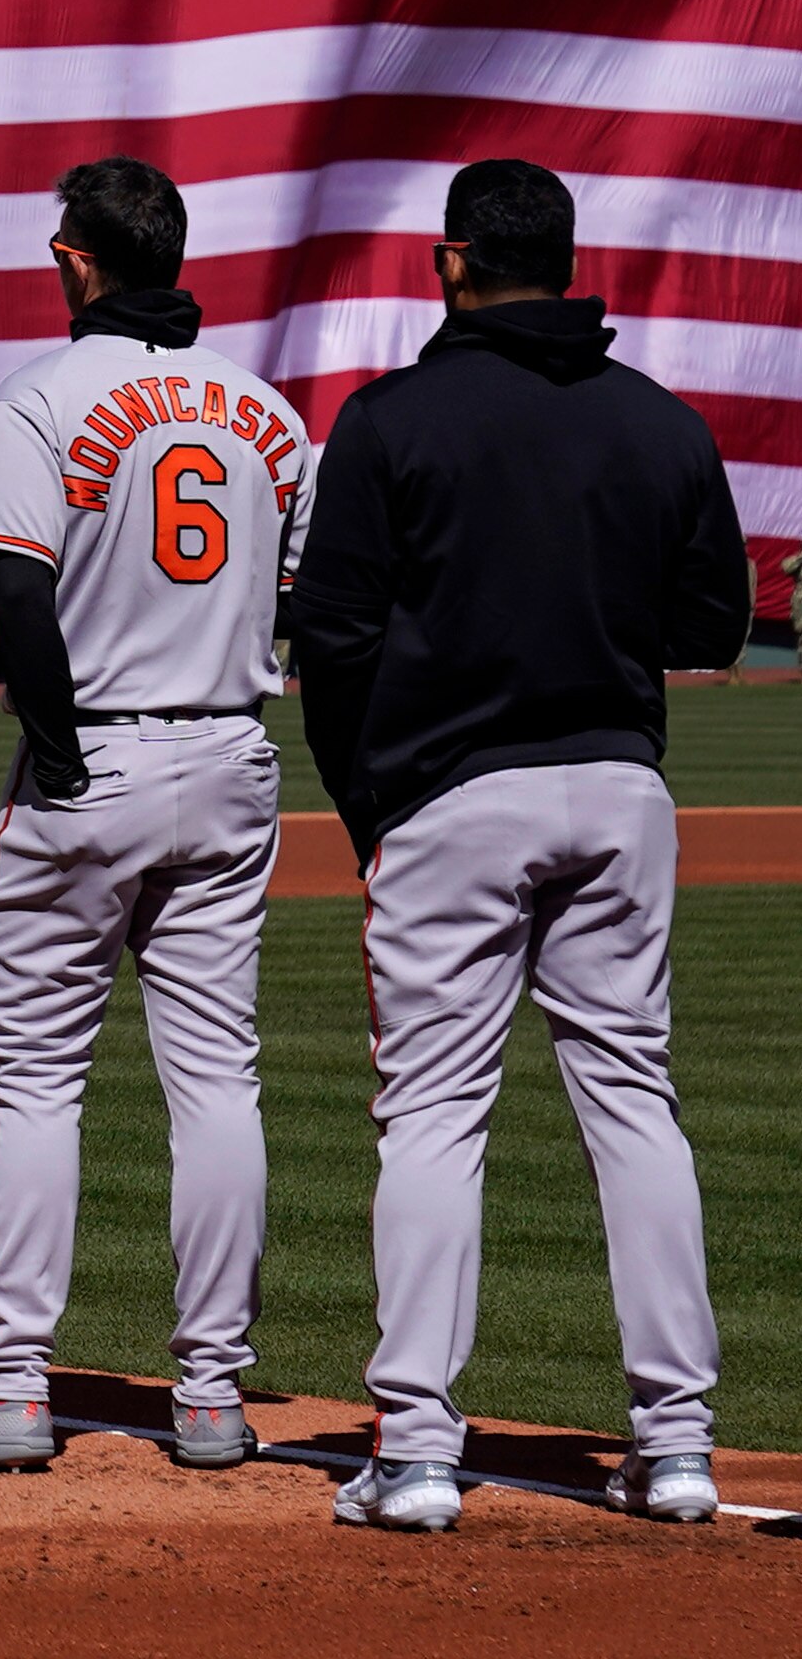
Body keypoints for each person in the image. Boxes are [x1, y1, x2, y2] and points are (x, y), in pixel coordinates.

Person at [290, 159, 749, 1533]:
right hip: (616, 786)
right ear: (566, 260)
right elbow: (713, 624)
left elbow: (330, 640)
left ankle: (420, 1450)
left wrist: (370, 808)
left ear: (451, 265)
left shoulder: (390, 420)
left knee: (433, 1111)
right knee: (632, 1102)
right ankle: (675, 1446)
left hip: (449, 796)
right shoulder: (660, 423)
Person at [0, 160, 303, 1476]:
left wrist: (57, 752)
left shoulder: (41, 398)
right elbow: (293, 597)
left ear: (73, 260)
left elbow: (16, 592)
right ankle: (215, 1395)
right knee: (218, 1080)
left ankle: (10, 1387)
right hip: (232, 744)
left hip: (97, 753)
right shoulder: (264, 411)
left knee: (36, 1083)